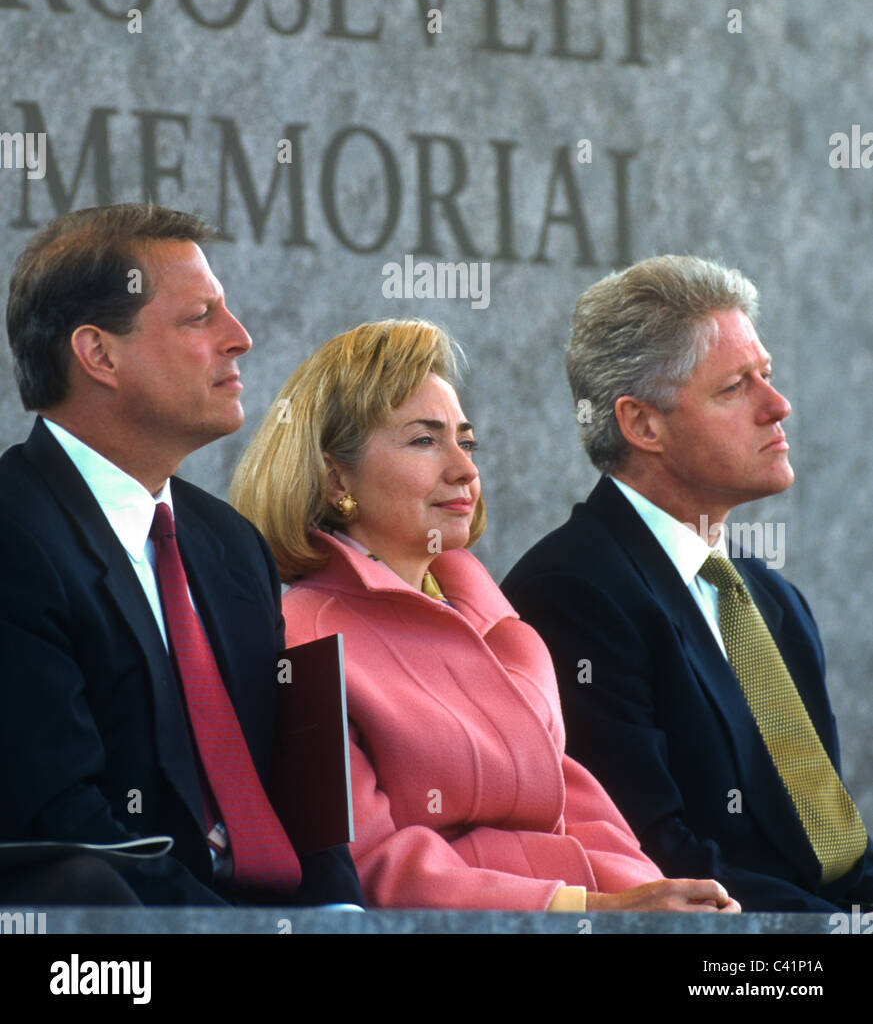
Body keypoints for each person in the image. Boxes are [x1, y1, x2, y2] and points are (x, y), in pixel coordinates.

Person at [230, 317, 740, 913]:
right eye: (424, 440)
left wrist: (671, 906)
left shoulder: (505, 628)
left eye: (465, 442)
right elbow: (370, 868)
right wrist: (588, 911)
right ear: (335, 475)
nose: (464, 470)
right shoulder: (302, 636)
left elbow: (583, 816)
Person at [0, 203, 363, 909]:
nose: (241, 339)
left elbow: (295, 795)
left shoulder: (230, 544)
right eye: (200, 317)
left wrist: (337, 922)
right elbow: (64, 825)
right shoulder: (14, 532)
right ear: (99, 354)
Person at [502, 254, 873, 913]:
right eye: (735, 387)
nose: (777, 405)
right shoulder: (571, 591)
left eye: (767, 377)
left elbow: (830, 850)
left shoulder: (770, 599)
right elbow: (655, 860)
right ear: (641, 424)